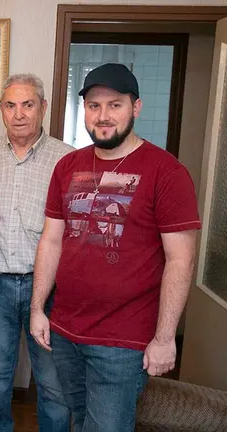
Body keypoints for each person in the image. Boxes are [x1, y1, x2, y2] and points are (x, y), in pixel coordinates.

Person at [30, 63, 201, 431]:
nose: (103, 116)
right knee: (78, 420)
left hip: (123, 341)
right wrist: (38, 309)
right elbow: (52, 240)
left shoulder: (166, 172)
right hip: (65, 330)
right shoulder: (67, 166)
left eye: (115, 105)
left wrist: (165, 337)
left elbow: (180, 259)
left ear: (135, 107)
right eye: (94, 105)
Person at [0, 74, 72, 432]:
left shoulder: (66, 159)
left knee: (52, 382)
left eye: (28, 104)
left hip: (46, 288)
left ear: (43, 108)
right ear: (2, 110)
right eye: (10, 105)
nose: (19, 114)